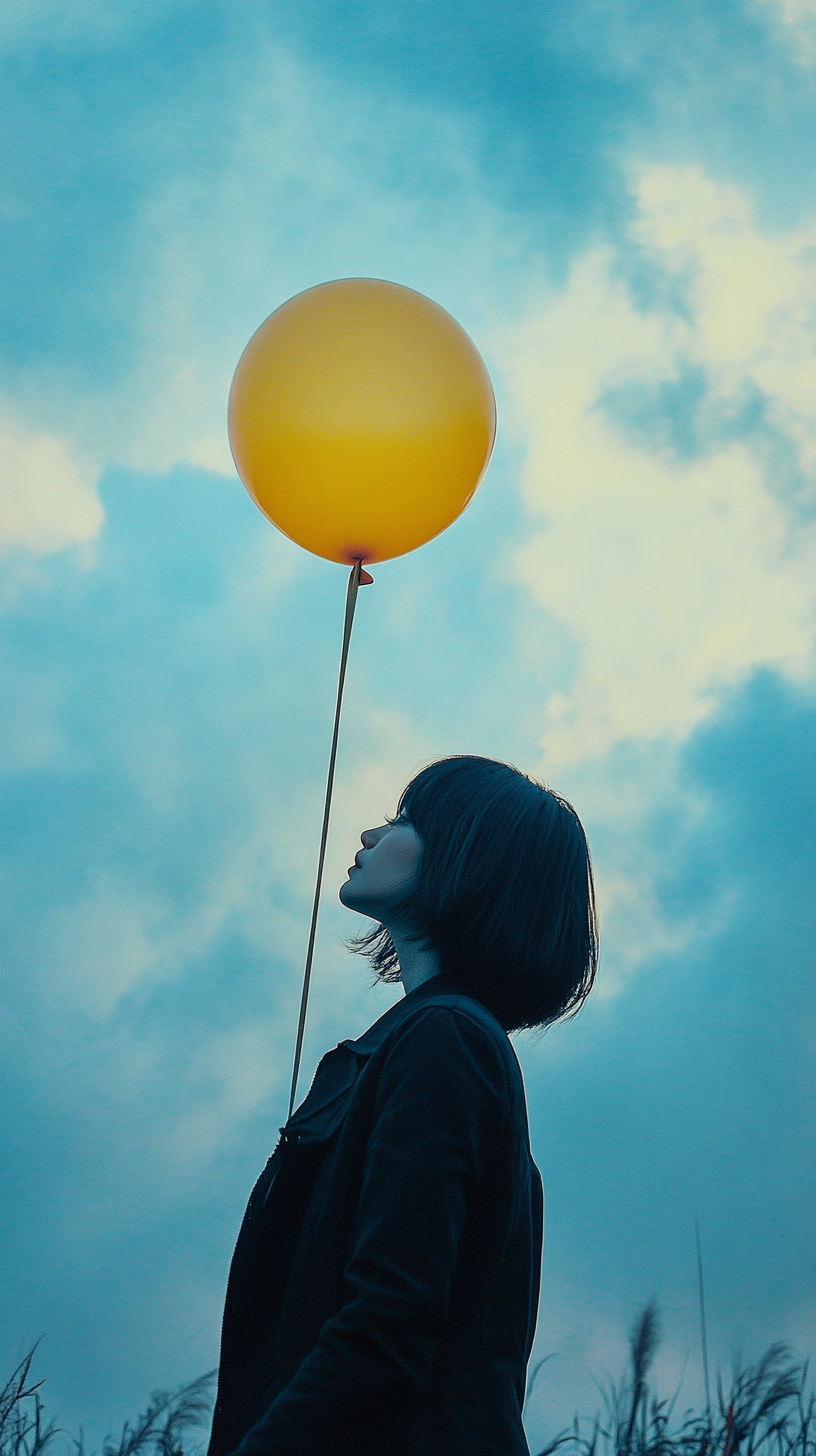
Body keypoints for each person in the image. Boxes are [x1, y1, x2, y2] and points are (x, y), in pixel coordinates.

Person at [206, 754, 598, 1456]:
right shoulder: (426, 1039)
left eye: (405, 819)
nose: (368, 834)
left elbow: (387, 1328)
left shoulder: (443, 1039)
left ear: (468, 861)